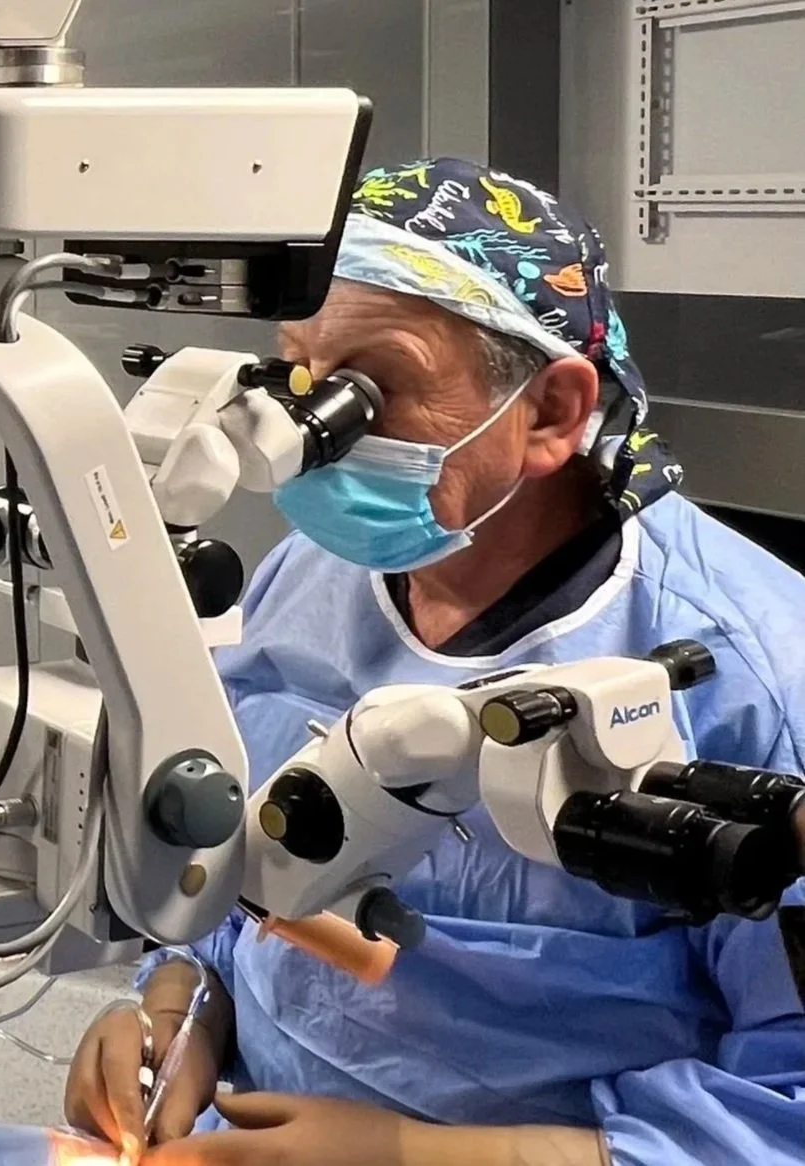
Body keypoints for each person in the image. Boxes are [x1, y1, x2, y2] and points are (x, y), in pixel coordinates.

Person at [65, 159, 805, 1166]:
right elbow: (242, 874)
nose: (307, 436)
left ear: (547, 411)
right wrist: (175, 1004)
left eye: (369, 390)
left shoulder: (757, 680)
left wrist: (419, 1154)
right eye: (295, 377)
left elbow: (786, 1106)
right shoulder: (308, 576)